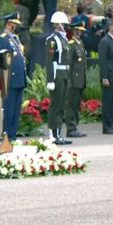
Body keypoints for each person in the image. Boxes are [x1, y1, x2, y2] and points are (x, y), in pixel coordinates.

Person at [0, 13, 27, 142]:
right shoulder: (3, 39)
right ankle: (7, 135)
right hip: (9, 79)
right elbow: (0, 60)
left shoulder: (15, 39)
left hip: (19, 79)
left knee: (16, 109)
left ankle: (13, 134)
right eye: (15, 24)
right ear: (9, 24)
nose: (17, 26)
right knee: (9, 108)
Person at [44, 11, 73, 145]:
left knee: (62, 105)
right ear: (58, 24)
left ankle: (59, 133)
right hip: (57, 75)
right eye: (64, 24)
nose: (66, 27)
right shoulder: (52, 39)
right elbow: (49, 62)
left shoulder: (64, 39)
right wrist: (50, 80)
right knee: (55, 105)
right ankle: (53, 134)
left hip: (65, 74)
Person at [65, 23, 88, 137]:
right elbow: (69, 64)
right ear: (73, 31)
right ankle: (71, 127)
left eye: (81, 31)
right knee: (71, 105)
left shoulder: (80, 44)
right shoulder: (71, 45)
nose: (80, 33)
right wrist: (69, 81)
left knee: (76, 104)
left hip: (80, 80)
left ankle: (75, 126)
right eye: (78, 30)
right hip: (73, 80)